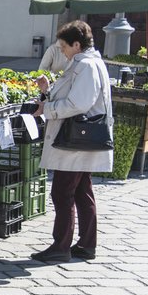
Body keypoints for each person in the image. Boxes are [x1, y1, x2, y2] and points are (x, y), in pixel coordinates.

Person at [30, 20, 113, 263]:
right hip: (79, 141)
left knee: (62, 192)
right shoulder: (85, 63)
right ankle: (87, 244)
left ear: (77, 44)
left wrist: (47, 108)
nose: (61, 52)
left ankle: (61, 246)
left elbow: (79, 103)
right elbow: (74, 95)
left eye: (64, 47)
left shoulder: (86, 65)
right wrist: (48, 91)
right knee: (81, 191)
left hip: (75, 140)